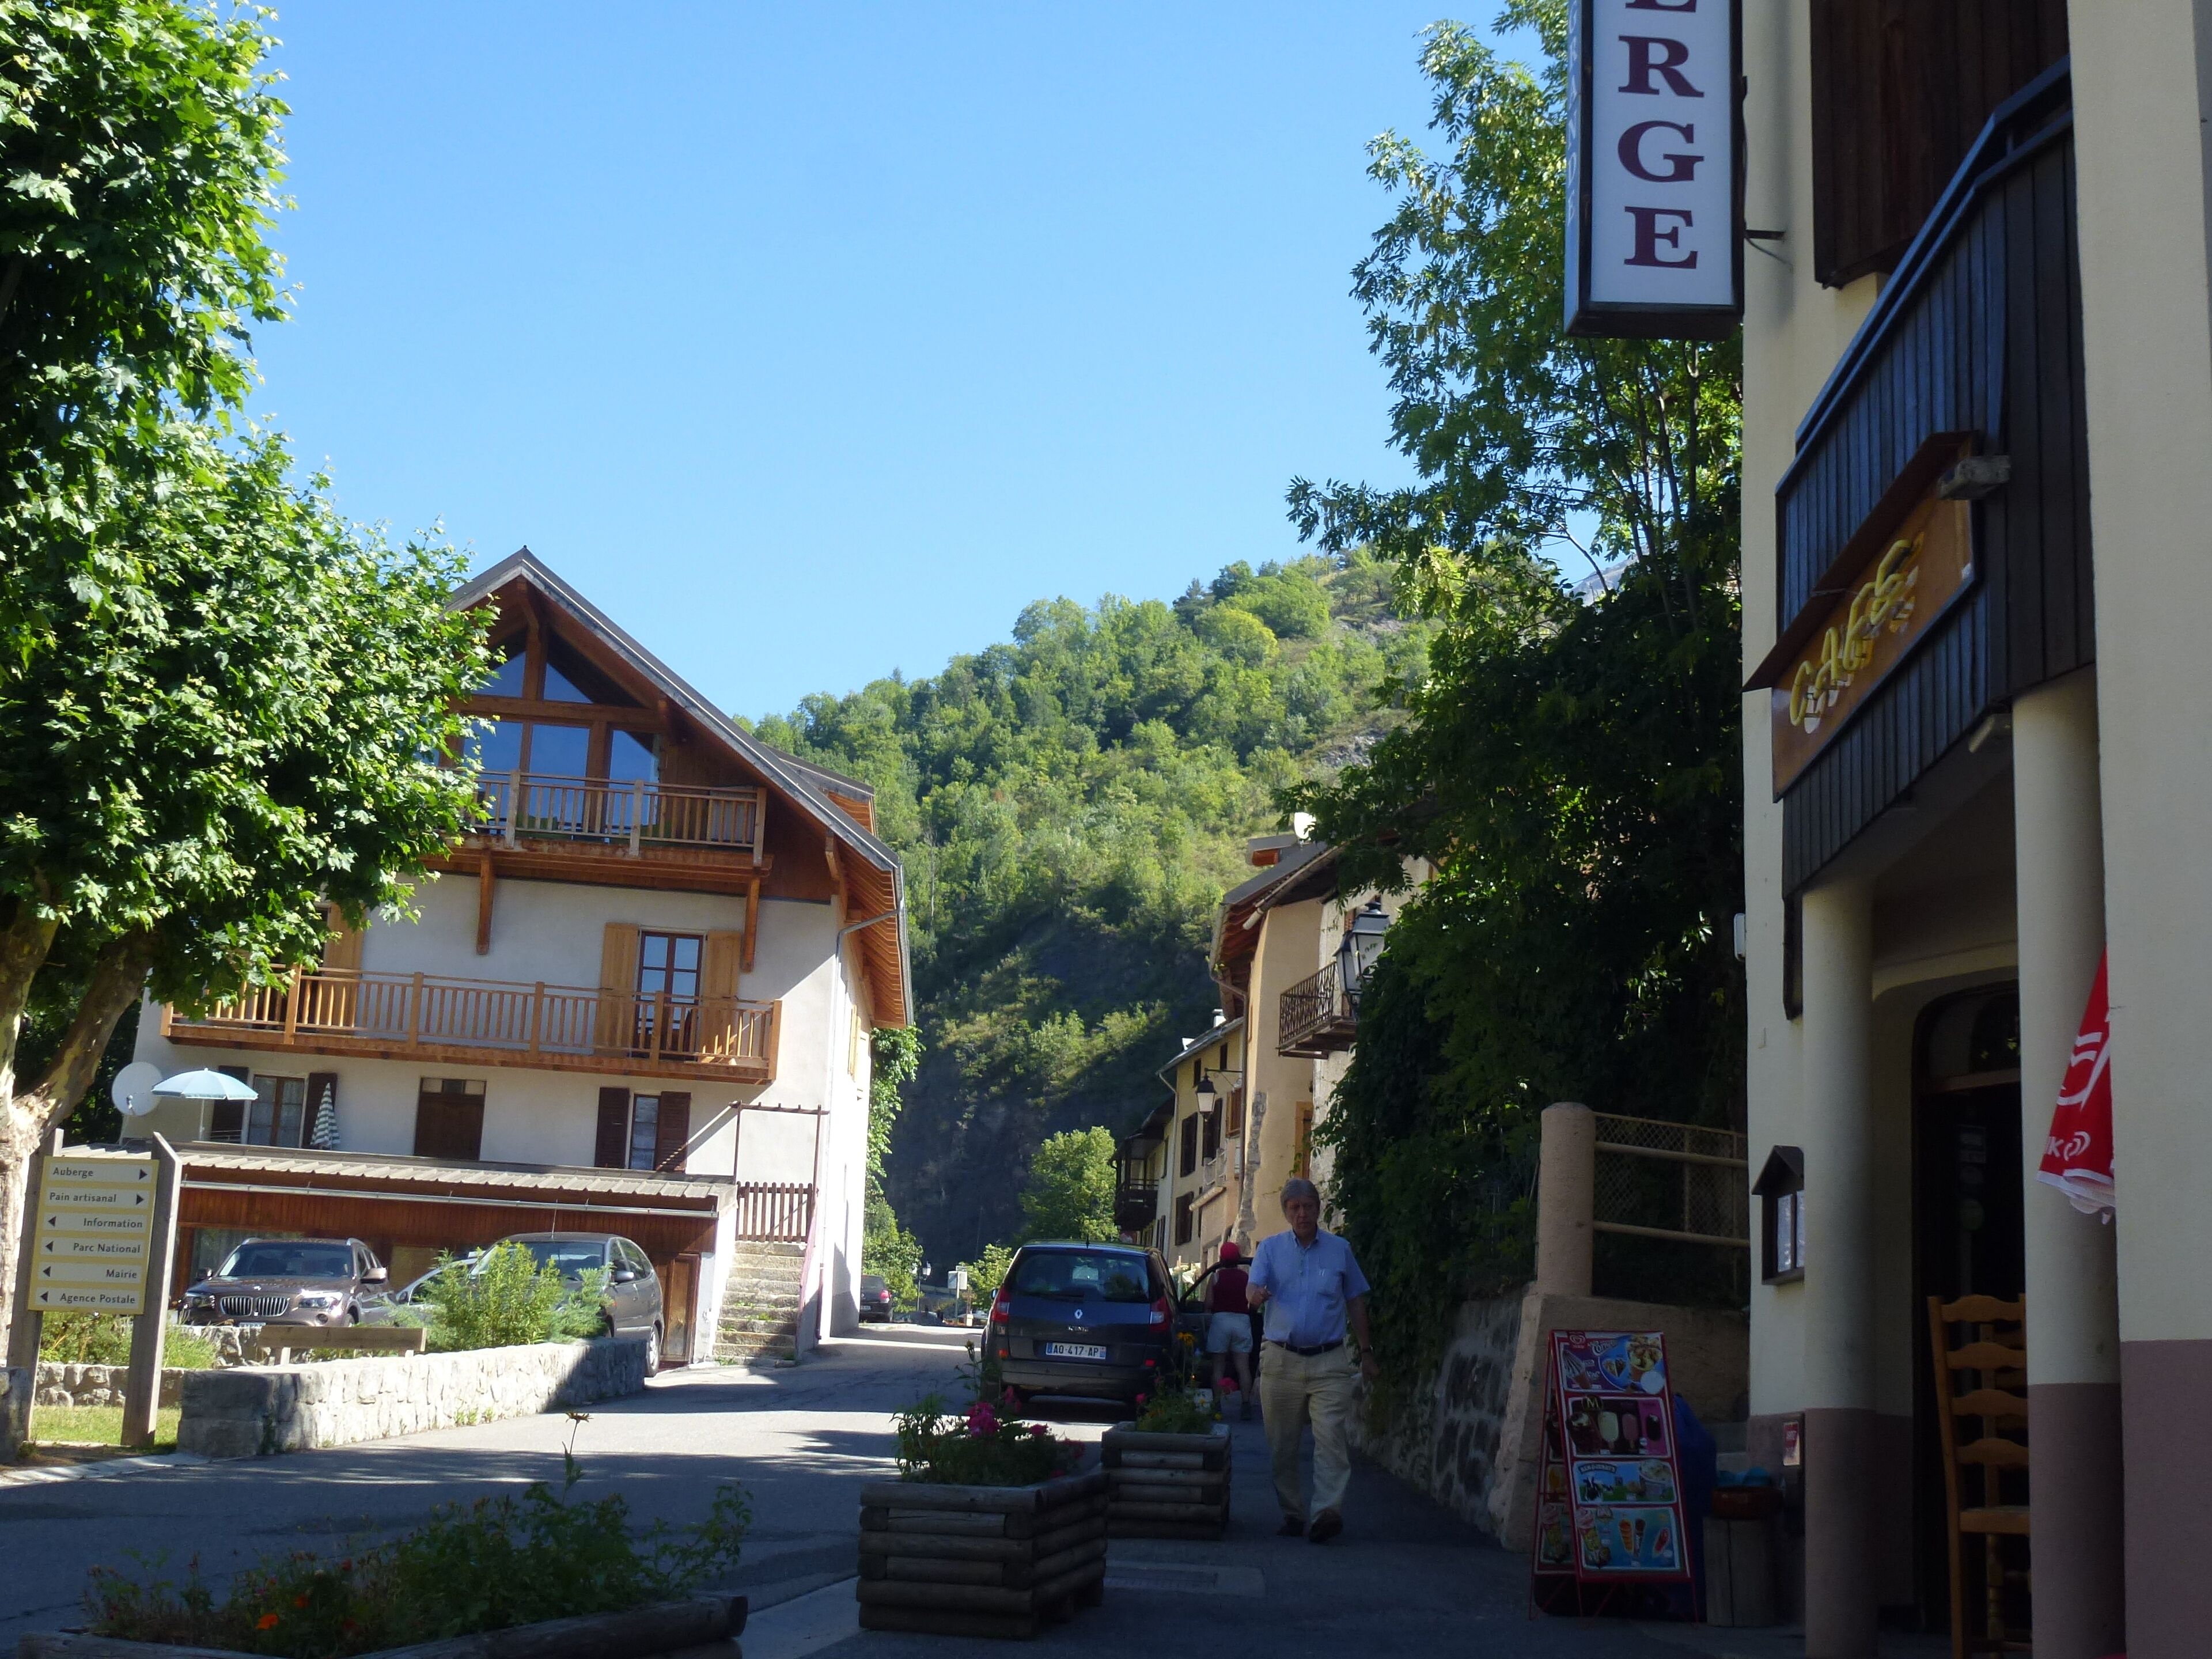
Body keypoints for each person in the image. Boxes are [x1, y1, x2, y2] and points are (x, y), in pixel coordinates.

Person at [1246, 1177, 1377, 1544]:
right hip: (1282, 1360)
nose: (1302, 1213)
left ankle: (1327, 1513)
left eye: (1308, 1206)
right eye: (1294, 1208)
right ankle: (1292, 1513)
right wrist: (1256, 1294)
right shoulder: (1270, 1250)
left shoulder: (1340, 1250)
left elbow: (1355, 1300)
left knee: (1332, 1439)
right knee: (1282, 1446)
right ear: (1286, 1213)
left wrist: (1366, 1352)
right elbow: (1251, 1288)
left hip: (1329, 1361)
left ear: (1318, 1209)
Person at [1204, 1240, 1253, 1418]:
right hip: (1242, 1321)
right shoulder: (1246, 1277)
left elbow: (1209, 1303)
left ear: (1221, 1259)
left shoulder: (1216, 1277)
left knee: (1218, 1366)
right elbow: (1251, 1300)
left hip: (1221, 1320)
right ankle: (1246, 1404)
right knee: (1243, 1366)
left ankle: (1217, 1405)